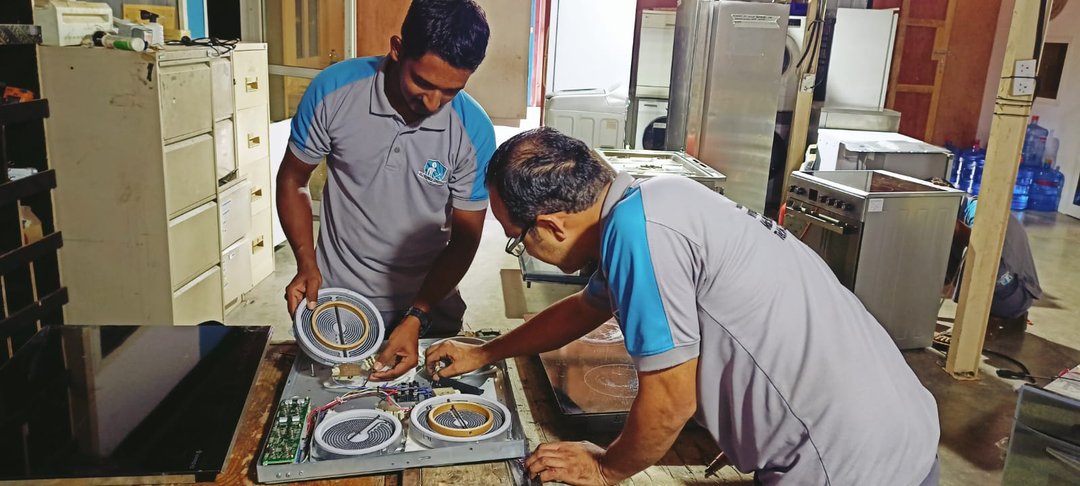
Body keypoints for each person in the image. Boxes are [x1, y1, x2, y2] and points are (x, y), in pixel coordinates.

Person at [426, 128, 941, 485]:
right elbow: (584, 309)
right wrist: (484, 352)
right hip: (898, 427)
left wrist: (606, 468)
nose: (522, 248)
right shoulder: (658, 202)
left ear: (550, 225)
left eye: (516, 239)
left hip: (847, 461)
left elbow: (671, 401)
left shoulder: (638, 235)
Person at [277, 0, 495, 381]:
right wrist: (305, 263)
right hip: (341, 305)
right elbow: (292, 181)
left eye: (450, 91)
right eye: (422, 83)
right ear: (397, 49)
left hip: (430, 305)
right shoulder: (335, 91)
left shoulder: (473, 130)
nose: (433, 103)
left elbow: (465, 239)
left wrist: (417, 314)